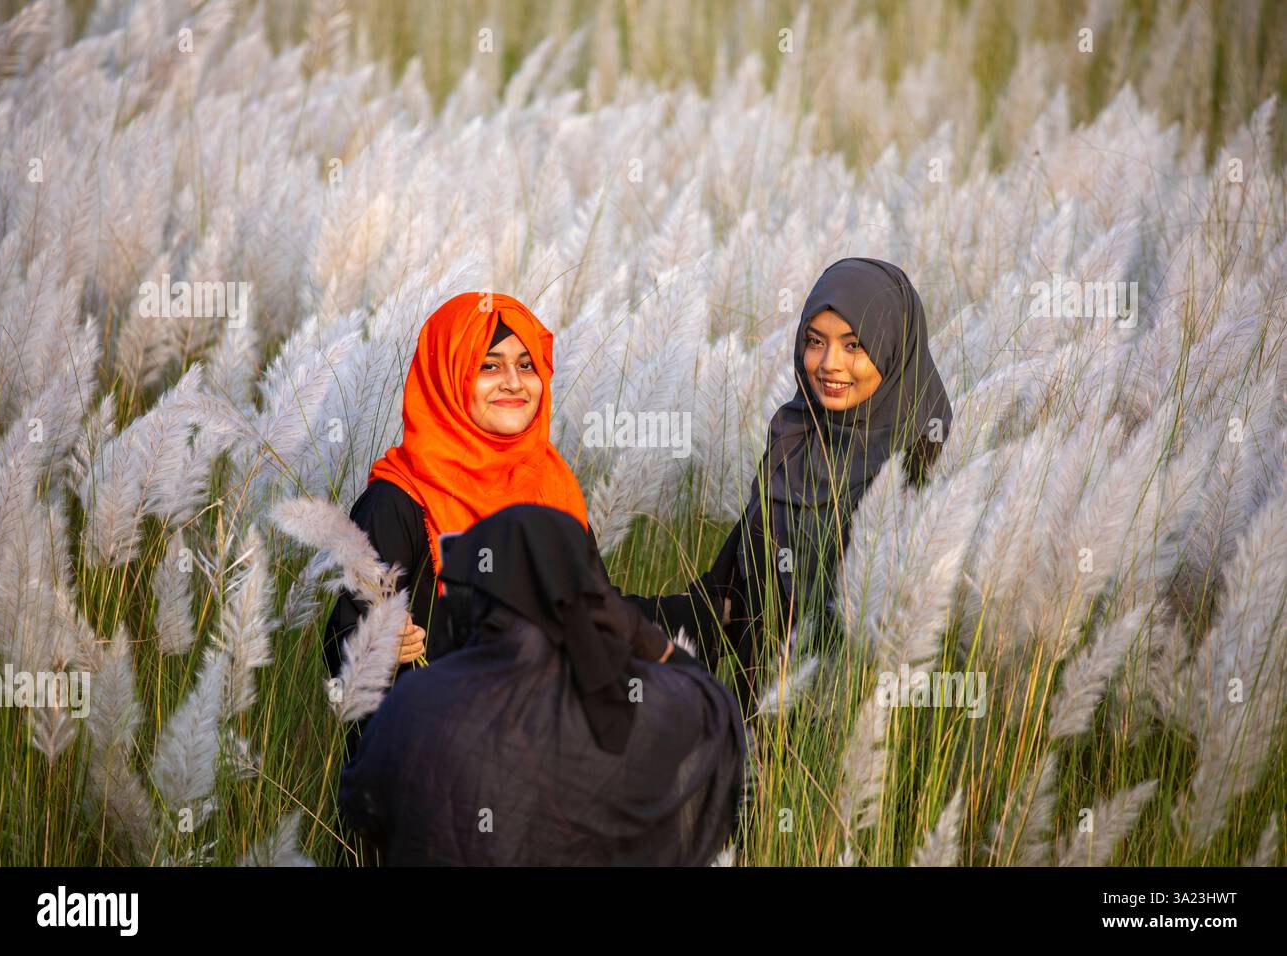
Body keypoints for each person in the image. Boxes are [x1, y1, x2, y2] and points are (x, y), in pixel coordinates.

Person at [336, 504, 745, 866]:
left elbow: (360, 808)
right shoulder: (621, 719)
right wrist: (641, 634)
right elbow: (718, 718)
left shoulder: (409, 706)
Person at [629, 258, 953, 706]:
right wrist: (591, 612)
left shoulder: (923, 470)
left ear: (894, 349)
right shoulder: (792, 445)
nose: (828, 364)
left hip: (863, 735)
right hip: (760, 732)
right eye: (814, 342)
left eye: (853, 345)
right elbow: (722, 601)